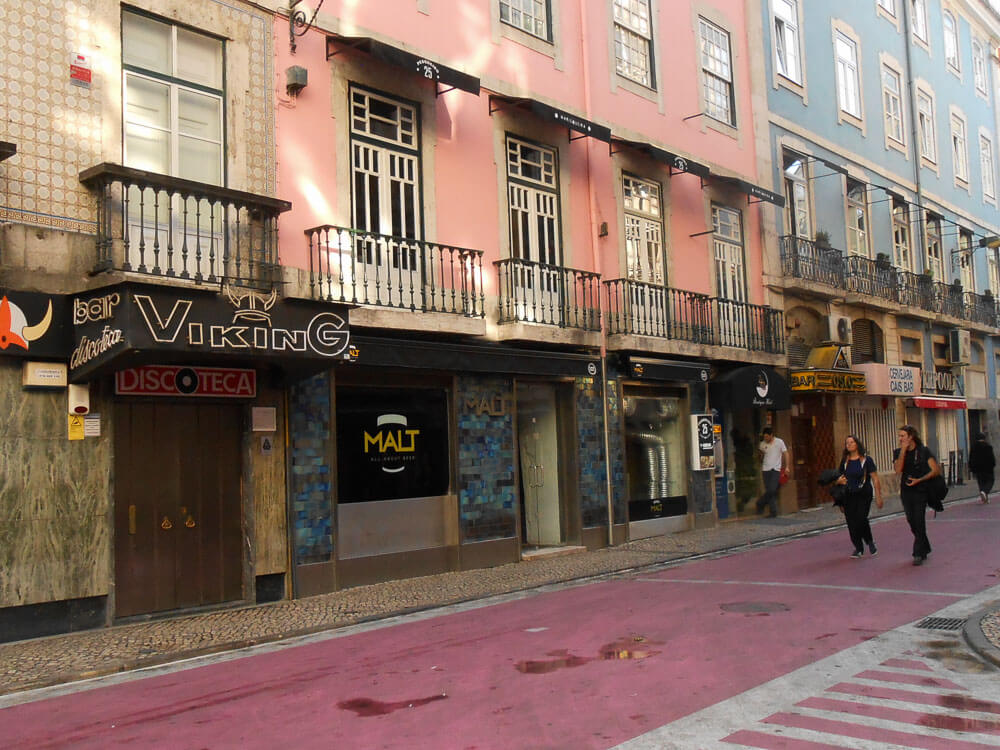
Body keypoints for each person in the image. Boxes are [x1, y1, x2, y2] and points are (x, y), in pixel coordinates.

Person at [893, 425, 941, 566]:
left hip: (921, 490)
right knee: (911, 521)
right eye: (899, 436)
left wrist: (920, 480)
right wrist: (902, 450)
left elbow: (936, 470)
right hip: (906, 491)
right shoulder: (898, 452)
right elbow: (898, 470)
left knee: (919, 520)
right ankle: (925, 546)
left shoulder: (923, 451)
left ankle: (918, 553)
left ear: (911, 436)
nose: (900, 438)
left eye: (903, 436)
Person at [834, 435, 883, 558]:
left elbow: (875, 478)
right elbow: (839, 478)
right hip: (848, 494)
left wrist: (878, 496)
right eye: (847, 443)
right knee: (851, 521)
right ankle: (858, 547)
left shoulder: (867, 460)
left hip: (864, 493)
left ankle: (870, 541)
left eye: (851, 442)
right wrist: (838, 484)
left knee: (861, 518)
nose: (849, 444)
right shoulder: (845, 461)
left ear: (857, 444)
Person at [756, 427, 788, 518]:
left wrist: (787, 467)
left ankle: (760, 503)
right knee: (770, 491)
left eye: (767, 437)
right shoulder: (762, 444)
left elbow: (786, 453)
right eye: (764, 437)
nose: (765, 438)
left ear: (771, 435)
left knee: (772, 489)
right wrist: (760, 455)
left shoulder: (779, 442)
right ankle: (773, 512)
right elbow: (760, 458)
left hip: (776, 469)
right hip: (765, 469)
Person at [968, 432, 995, 504]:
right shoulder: (988, 446)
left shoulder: (973, 447)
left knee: (981, 483)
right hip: (988, 468)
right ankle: (985, 492)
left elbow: (971, 458)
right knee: (990, 481)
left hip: (978, 469)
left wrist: (971, 467)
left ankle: (984, 499)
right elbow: (991, 458)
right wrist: (993, 465)